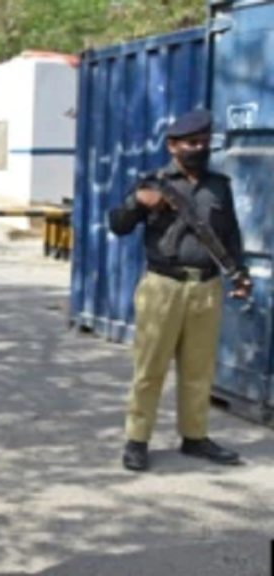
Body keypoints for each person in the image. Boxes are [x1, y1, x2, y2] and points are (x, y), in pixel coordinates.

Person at [109, 108, 252, 473]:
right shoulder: (152, 183)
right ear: (172, 146)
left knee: (199, 368)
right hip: (163, 286)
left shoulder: (219, 185)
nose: (199, 148)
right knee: (150, 368)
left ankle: (195, 437)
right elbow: (118, 225)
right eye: (191, 143)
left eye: (204, 142)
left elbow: (230, 235)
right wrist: (137, 203)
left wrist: (240, 274)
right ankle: (137, 440)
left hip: (206, 287)